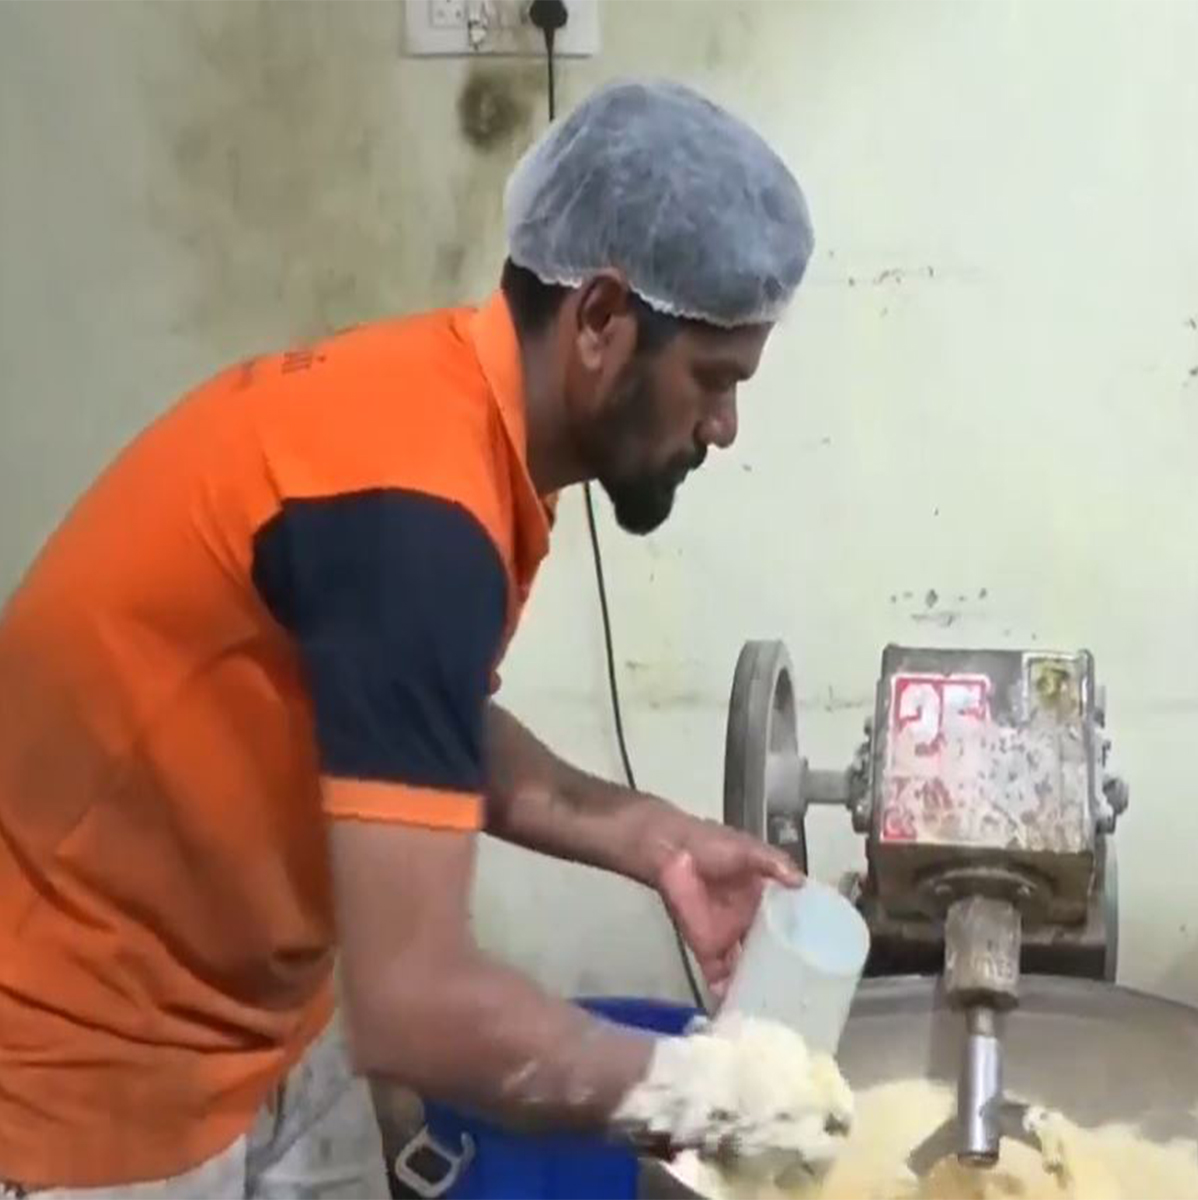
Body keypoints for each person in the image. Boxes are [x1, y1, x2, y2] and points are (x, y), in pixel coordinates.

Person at [0, 79, 839, 1198]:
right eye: (714, 379)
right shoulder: (414, 513)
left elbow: (414, 715)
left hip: (263, 1018)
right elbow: (419, 1011)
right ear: (599, 320)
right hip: (90, 1074)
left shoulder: (446, 421)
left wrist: (652, 839)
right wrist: (715, 1094)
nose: (724, 428)